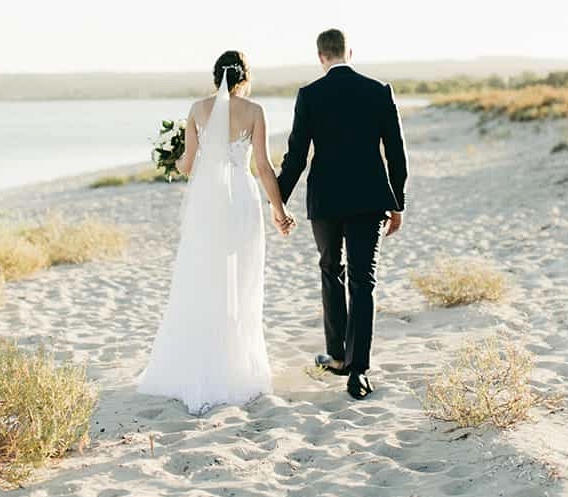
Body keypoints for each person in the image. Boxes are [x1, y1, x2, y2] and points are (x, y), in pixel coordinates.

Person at [135, 50, 293, 414]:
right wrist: (279, 211)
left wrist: (171, 157)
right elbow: (265, 168)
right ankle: (236, 365)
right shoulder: (255, 111)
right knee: (241, 279)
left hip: (208, 203)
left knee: (203, 276)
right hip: (241, 198)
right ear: (245, 77)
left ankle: (200, 361)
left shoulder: (197, 109)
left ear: (215, 77)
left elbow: (188, 165)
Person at [276, 29, 409, 400]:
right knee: (364, 281)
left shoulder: (309, 95)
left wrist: (278, 201)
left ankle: (338, 357)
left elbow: (296, 157)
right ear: (349, 52)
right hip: (370, 199)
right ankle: (360, 371)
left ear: (320, 57)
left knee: (331, 270)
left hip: (326, 201)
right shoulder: (379, 91)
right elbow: (397, 155)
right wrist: (397, 202)